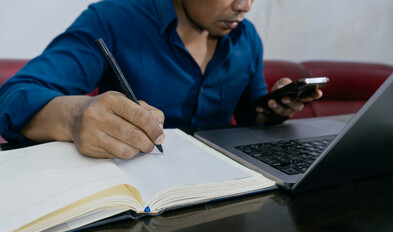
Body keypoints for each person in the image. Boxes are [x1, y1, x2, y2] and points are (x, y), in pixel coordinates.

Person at [0, 0, 322, 159]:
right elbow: (14, 96)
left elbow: (250, 113)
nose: (245, 6)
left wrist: (270, 112)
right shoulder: (113, 18)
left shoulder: (246, 38)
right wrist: (75, 116)